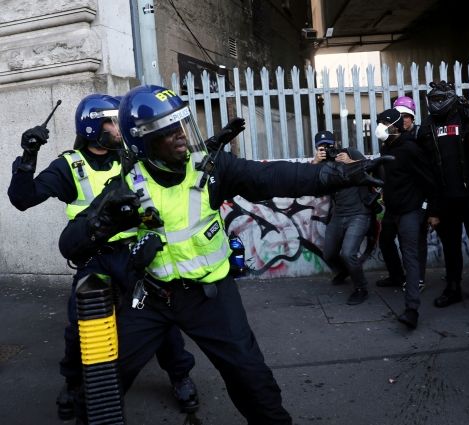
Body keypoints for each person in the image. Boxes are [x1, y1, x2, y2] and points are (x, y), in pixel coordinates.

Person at [57, 84, 388, 424]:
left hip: (210, 297)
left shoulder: (212, 169)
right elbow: (70, 244)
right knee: (101, 385)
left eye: (181, 126)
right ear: (143, 141)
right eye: (168, 132)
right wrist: (104, 220)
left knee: (252, 380)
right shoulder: (125, 185)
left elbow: (272, 177)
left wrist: (333, 175)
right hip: (152, 298)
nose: (181, 136)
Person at [7, 94, 199, 418]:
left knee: (160, 314)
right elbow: (22, 198)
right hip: (94, 254)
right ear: (94, 126)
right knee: (79, 324)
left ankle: (180, 375)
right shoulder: (70, 165)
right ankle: (72, 383)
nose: (119, 127)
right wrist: (28, 155)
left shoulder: (131, 157)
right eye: (112, 121)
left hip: (133, 253)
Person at [417, 81, 469, 319]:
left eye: (441, 98)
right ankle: (453, 288)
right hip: (445, 200)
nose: (437, 102)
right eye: (432, 99)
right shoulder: (426, 127)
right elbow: (428, 170)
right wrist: (433, 207)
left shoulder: (467, 117)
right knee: (451, 248)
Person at [374, 108, 440, 329]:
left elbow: (429, 180)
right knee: (384, 241)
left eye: (385, 123)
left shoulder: (411, 149)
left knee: (410, 255)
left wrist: (432, 211)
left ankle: (412, 309)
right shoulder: (387, 147)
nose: (381, 127)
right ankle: (395, 276)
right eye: (379, 122)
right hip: (392, 210)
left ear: (396, 127)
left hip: (411, 210)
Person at [311, 130, 373, 305]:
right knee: (329, 254)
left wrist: (350, 162)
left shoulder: (350, 153)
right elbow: (310, 185)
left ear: (335, 143)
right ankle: (344, 271)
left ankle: (361, 288)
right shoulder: (322, 165)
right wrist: (315, 163)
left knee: (348, 253)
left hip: (359, 213)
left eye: (330, 145)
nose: (327, 149)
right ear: (317, 148)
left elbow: (371, 167)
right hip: (338, 215)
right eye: (322, 147)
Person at [375, 95, 428, 289]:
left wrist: (428, 205)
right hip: (394, 203)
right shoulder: (389, 142)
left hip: (415, 203)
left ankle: (418, 280)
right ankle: (396, 275)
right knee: (386, 239)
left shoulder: (420, 138)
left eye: (406, 116)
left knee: (415, 243)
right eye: (400, 115)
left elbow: (426, 175)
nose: (403, 119)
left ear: (412, 118)